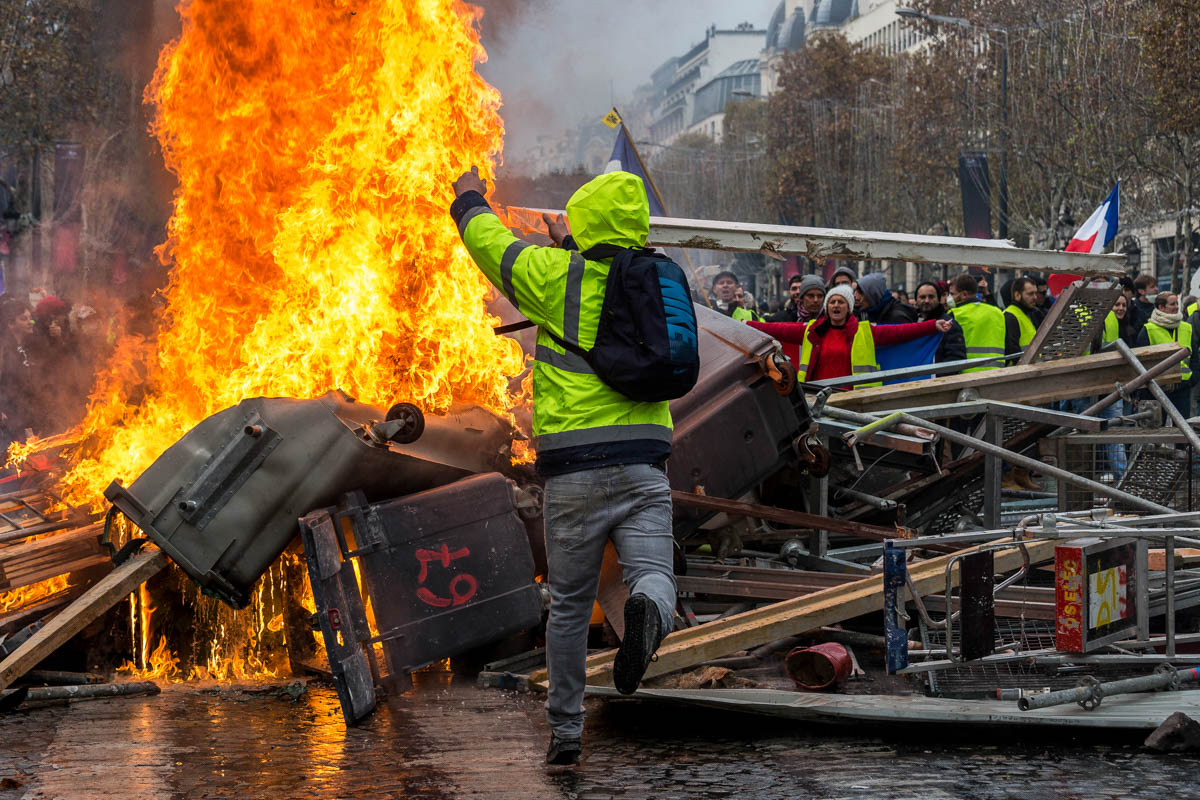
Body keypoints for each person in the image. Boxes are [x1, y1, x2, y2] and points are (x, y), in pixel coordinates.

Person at [450, 167, 677, 767]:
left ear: (585, 223)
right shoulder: (657, 280)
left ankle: (567, 733)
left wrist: (469, 199)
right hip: (645, 465)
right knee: (653, 574)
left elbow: (492, 246)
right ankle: (650, 611)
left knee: (571, 605)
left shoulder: (557, 277)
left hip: (575, 471)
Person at [746, 284, 951, 384]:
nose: (836, 305)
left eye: (841, 302)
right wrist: (745, 324)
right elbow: (776, 329)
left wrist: (932, 326)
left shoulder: (866, 331)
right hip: (816, 398)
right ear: (827, 307)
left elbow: (900, 332)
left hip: (854, 401)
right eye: (832, 302)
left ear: (849, 307)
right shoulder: (811, 330)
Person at [1135, 291, 1197, 420]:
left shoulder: (1186, 328)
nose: (1176, 307)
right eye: (1172, 304)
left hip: (1182, 387)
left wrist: (1192, 380)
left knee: (1182, 433)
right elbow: (1139, 363)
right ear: (1161, 307)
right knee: (1155, 431)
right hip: (1156, 389)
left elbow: (1195, 358)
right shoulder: (1148, 330)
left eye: (1177, 303)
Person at [0, 296, 35, 464]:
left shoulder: (27, 346)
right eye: (24, 319)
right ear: (10, 324)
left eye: (30, 318)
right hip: (7, 419)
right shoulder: (3, 348)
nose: (30, 322)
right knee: (10, 465)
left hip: (22, 416)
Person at [947, 273, 1006, 372]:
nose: (950, 298)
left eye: (952, 294)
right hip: (997, 373)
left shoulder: (955, 314)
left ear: (964, 294)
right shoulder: (997, 312)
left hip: (967, 376)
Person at [914, 281, 966, 363]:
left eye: (931, 297)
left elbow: (956, 358)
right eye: (922, 297)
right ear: (916, 300)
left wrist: (937, 375)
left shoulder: (949, 324)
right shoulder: (910, 322)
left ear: (938, 299)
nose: (927, 300)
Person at [1003, 276, 1042, 362]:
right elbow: (1013, 353)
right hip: (1020, 371)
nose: (1035, 297)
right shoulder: (1010, 316)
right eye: (1030, 294)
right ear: (1017, 295)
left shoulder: (1033, 313)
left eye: (1035, 293)